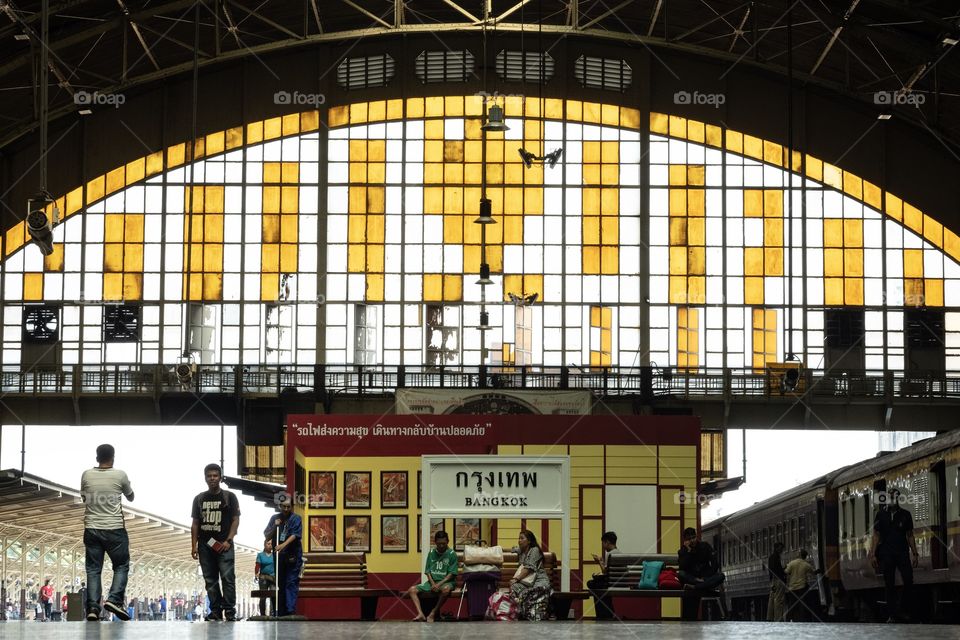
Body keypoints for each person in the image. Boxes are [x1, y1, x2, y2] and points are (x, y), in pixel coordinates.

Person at [81, 444, 134, 622]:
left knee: (94, 569)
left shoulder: (86, 474)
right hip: (114, 529)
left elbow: (84, 497)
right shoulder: (120, 475)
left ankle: (93, 609)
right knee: (121, 565)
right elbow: (131, 496)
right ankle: (114, 600)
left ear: (97, 457)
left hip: (92, 529)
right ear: (113, 457)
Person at [191, 463, 241, 622]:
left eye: (215, 475)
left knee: (228, 579)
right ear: (205, 478)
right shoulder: (199, 499)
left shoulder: (229, 497)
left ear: (220, 477)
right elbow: (195, 524)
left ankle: (230, 612)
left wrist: (229, 540)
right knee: (210, 580)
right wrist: (193, 546)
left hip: (224, 545)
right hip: (205, 545)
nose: (212, 478)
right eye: (209, 476)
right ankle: (215, 611)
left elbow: (235, 520)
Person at [870, 487, 918, 623]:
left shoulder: (905, 515)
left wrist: (915, 553)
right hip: (887, 553)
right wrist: (872, 554)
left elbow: (909, 535)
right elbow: (876, 536)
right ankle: (892, 614)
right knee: (889, 584)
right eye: (890, 497)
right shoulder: (880, 515)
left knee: (909, 580)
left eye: (894, 497)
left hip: (902, 552)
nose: (892, 499)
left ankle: (902, 608)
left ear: (898, 499)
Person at [263, 494, 302, 617]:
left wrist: (282, 545)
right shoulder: (274, 518)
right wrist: (275, 526)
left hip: (293, 556)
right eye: (283, 506)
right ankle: (280, 611)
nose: (286, 509)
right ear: (280, 506)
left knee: (291, 582)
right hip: (279, 557)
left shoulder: (296, 518)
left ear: (291, 507)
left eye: (288, 507)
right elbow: (267, 535)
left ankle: (290, 610)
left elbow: (295, 535)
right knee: (280, 583)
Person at [406, 530, 458, 622]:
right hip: (432, 583)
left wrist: (438, 584)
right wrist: (433, 583)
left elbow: (451, 574)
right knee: (412, 590)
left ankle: (433, 612)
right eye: (439, 543)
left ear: (448, 542)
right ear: (435, 542)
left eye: (443, 543)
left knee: (445, 590)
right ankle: (420, 614)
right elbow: (428, 571)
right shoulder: (431, 553)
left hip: (446, 582)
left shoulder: (452, 554)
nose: (441, 546)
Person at [677, 527, 725, 621]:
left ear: (696, 536)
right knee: (681, 574)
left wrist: (705, 577)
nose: (692, 540)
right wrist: (689, 552)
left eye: (693, 537)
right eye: (689, 539)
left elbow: (715, 565)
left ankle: (696, 587)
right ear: (685, 540)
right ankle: (700, 585)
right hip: (693, 579)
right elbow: (682, 567)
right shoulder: (683, 551)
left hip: (703, 579)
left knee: (721, 576)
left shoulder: (705, 546)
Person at [510, 530, 553, 621]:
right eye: (519, 538)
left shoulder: (535, 550)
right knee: (514, 587)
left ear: (529, 541)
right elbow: (513, 549)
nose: (519, 540)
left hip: (539, 582)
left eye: (522, 538)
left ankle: (527, 610)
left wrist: (516, 578)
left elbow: (528, 569)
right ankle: (524, 609)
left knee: (530, 591)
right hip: (527, 583)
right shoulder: (521, 551)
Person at [586, 531, 620, 620]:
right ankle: (608, 613)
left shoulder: (610, 554)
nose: (603, 546)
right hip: (619, 581)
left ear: (607, 542)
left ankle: (603, 615)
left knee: (591, 584)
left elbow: (605, 572)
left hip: (612, 583)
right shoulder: (619, 552)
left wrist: (599, 562)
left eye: (603, 543)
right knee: (596, 585)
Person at [784, 549, 817, 622]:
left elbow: (786, 572)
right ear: (805, 556)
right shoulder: (806, 564)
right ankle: (802, 619)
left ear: (798, 555)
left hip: (792, 587)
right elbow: (813, 572)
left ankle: (788, 619)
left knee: (791, 605)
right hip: (802, 587)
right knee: (802, 604)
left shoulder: (792, 563)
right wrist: (818, 571)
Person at [766, 541, 787, 622]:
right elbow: (777, 569)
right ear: (777, 548)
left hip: (773, 580)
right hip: (778, 580)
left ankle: (769, 617)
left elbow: (771, 570)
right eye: (781, 548)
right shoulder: (776, 557)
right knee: (778, 599)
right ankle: (778, 618)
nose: (782, 550)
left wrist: (771, 581)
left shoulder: (771, 557)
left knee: (771, 599)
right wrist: (784, 571)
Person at [255, 539, 276, 616]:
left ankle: (273, 613)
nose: (270, 545)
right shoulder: (260, 555)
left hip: (273, 578)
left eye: (271, 544)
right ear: (264, 545)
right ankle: (262, 614)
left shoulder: (275, 555)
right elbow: (257, 565)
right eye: (268, 544)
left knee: (273, 595)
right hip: (263, 577)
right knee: (263, 596)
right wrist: (256, 573)